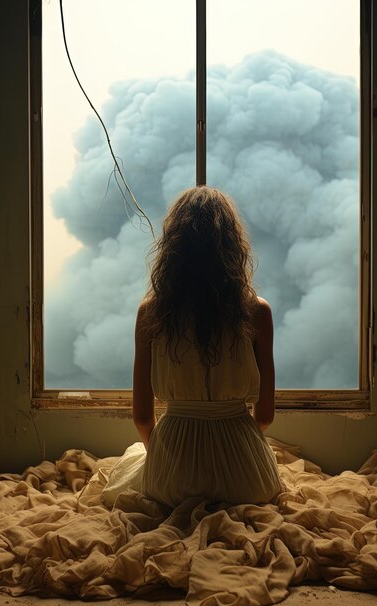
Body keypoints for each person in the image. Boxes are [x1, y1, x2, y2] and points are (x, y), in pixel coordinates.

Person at [101, 187, 283, 509]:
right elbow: (265, 415)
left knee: (130, 462)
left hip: (173, 480)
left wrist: (165, 459)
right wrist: (237, 448)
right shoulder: (258, 312)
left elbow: (143, 418)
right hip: (248, 482)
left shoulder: (150, 313)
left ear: (173, 251)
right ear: (232, 248)